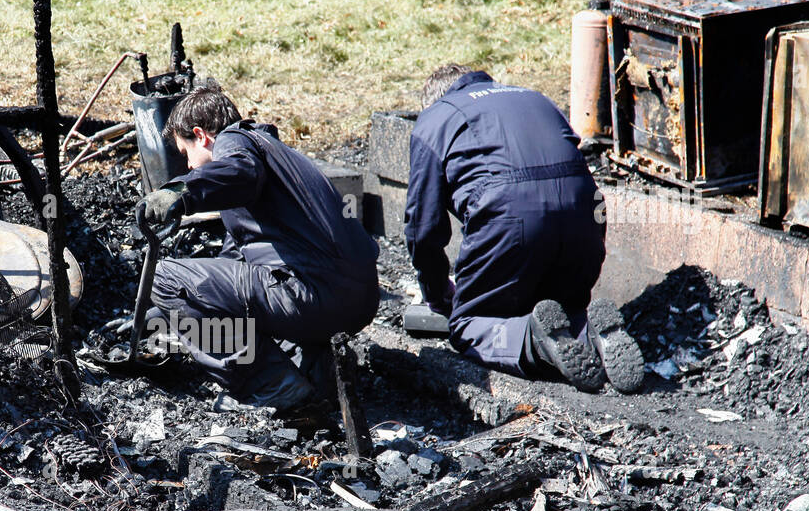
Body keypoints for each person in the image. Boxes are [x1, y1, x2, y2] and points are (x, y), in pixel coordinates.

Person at [403, 64, 645, 393]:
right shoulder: (535, 98)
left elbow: (422, 228)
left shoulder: (435, 118)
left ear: (434, 100)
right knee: (560, 309)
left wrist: (437, 294)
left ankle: (534, 340)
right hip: (585, 217)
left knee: (470, 324)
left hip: (511, 220)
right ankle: (590, 332)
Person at [137, 86, 379, 411]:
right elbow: (231, 272)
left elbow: (238, 170)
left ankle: (272, 385)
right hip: (356, 301)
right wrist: (167, 314)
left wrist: (181, 191)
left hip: (312, 292)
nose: (191, 166)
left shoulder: (236, 143)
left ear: (201, 135)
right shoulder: (275, 161)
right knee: (189, 290)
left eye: (186, 154)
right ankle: (317, 379)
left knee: (162, 277)